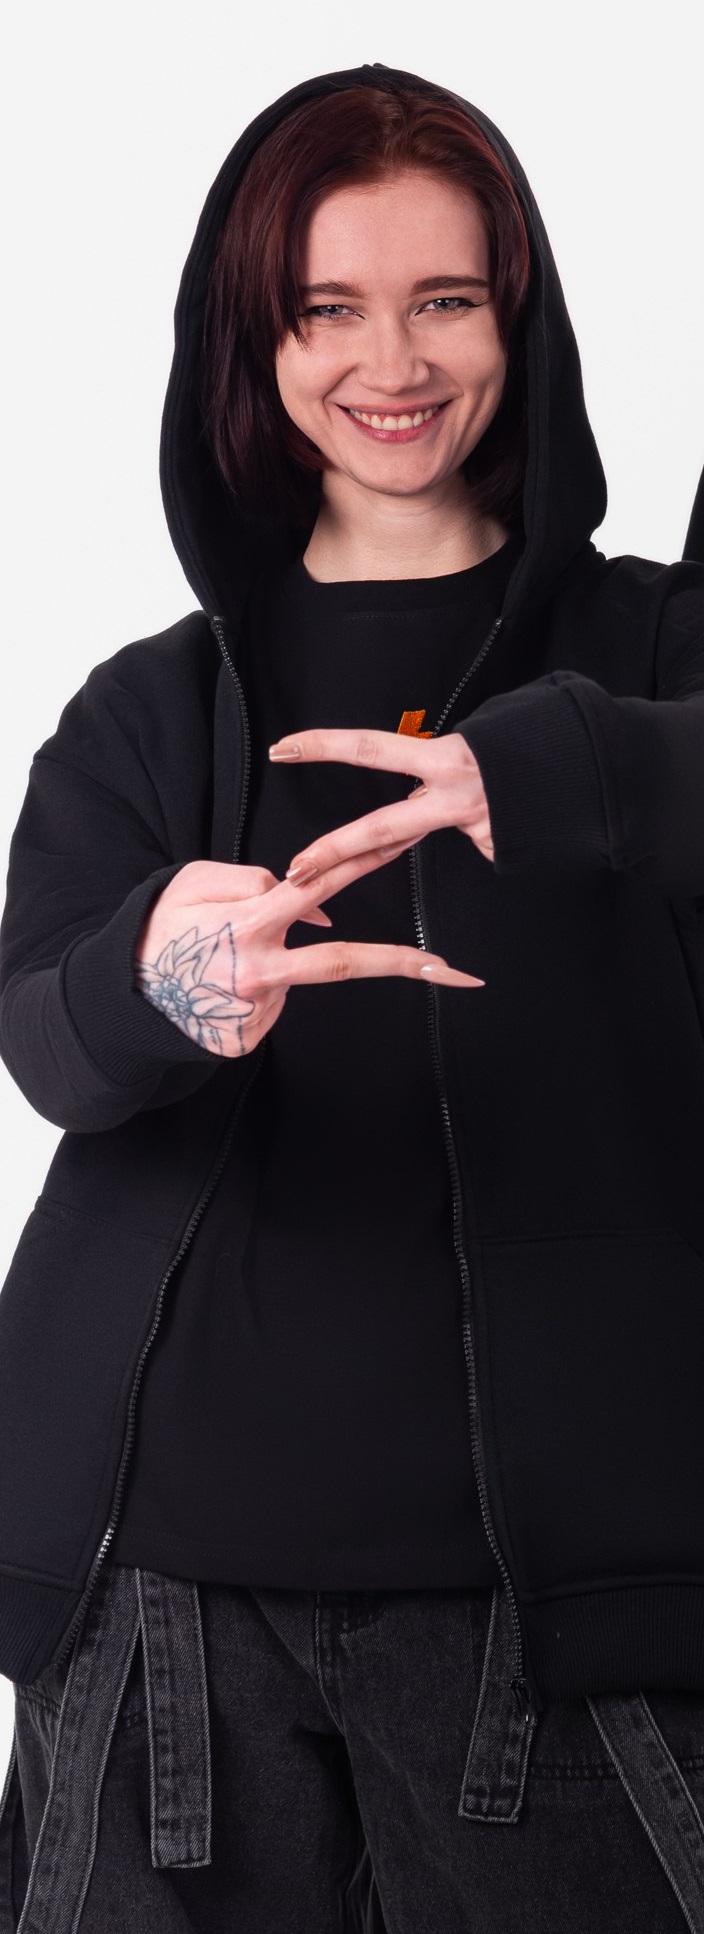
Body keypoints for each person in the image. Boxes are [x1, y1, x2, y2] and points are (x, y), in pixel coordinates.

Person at [1, 56, 704, 1934]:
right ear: (255, 341)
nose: (391, 360)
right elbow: (46, 1026)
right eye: (327, 308)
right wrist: (166, 975)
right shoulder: (147, 704)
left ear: (518, 319)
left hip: (560, 1627)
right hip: (159, 1621)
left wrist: (557, 768)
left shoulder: (655, 650)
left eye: (445, 298)